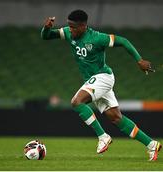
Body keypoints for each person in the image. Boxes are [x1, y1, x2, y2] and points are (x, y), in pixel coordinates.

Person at [41, 9, 162, 161]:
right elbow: (46, 37)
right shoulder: (68, 33)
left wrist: (139, 60)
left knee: (76, 102)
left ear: (83, 26)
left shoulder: (97, 38)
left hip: (103, 77)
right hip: (94, 80)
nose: (70, 30)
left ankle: (103, 136)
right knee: (116, 118)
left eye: (73, 27)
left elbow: (123, 41)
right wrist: (46, 27)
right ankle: (152, 144)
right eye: (69, 26)